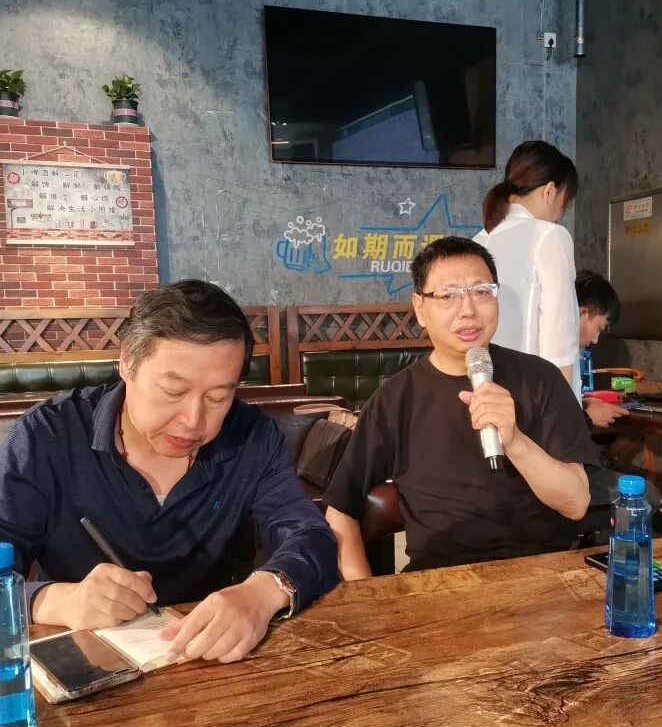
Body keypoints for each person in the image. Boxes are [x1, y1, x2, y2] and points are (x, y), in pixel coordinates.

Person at [0, 280, 338, 664]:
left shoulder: (252, 438)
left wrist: (264, 591)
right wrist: (55, 600)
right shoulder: (48, 435)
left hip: (205, 658)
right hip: (79, 661)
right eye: (173, 391)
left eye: (218, 397)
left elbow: (311, 536)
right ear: (127, 363)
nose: (193, 420)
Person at [323, 236, 599, 580]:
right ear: (421, 308)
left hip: (541, 575)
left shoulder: (541, 379)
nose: (468, 309)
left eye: (482, 291)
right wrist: (368, 599)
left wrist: (515, 441)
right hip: (440, 583)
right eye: (448, 295)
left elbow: (576, 503)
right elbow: (340, 511)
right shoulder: (395, 398)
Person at [473, 140, 581, 397]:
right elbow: (559, 342)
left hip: (487, 396)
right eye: (563, 206)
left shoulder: (479, 240)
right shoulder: (550, 236)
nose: (559, 216)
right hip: (536, 398)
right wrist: (562, 410)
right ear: (549, 191)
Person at [575, 269, 629, 428]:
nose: (595, 339)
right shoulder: (555, 355)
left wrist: (583, 403)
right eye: (599, 328)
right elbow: (557, 425)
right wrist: (588, 417)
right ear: (584, 312)